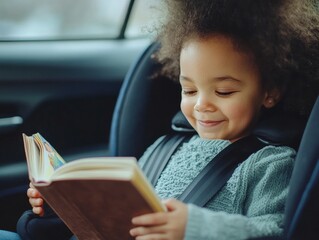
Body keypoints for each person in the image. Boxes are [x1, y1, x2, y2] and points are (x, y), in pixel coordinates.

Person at [1, 0, 318, 239]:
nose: (201, 105)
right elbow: (119, 216)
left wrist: (192, 228)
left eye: (223, 91)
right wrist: (65, 206)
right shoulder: (165, 147)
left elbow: (276, 231)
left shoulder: (270, 163)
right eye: (189, 89)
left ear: (270, 92)